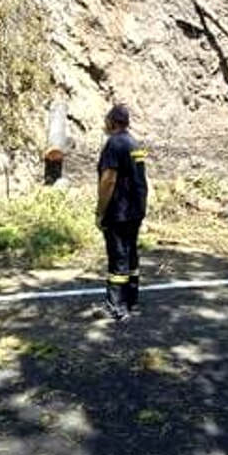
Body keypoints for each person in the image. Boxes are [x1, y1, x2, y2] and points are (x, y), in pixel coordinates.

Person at [96, 103, 148, 322]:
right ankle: (131, 300)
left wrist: (100, 211)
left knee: (117, 257)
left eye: (106, 120)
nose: (104, 124)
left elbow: (108, 180)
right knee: (130, 256)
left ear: (112, 121)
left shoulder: (114, 144)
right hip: (136, 209)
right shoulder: (133, 143)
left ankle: (116, 307)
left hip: (118, 210)